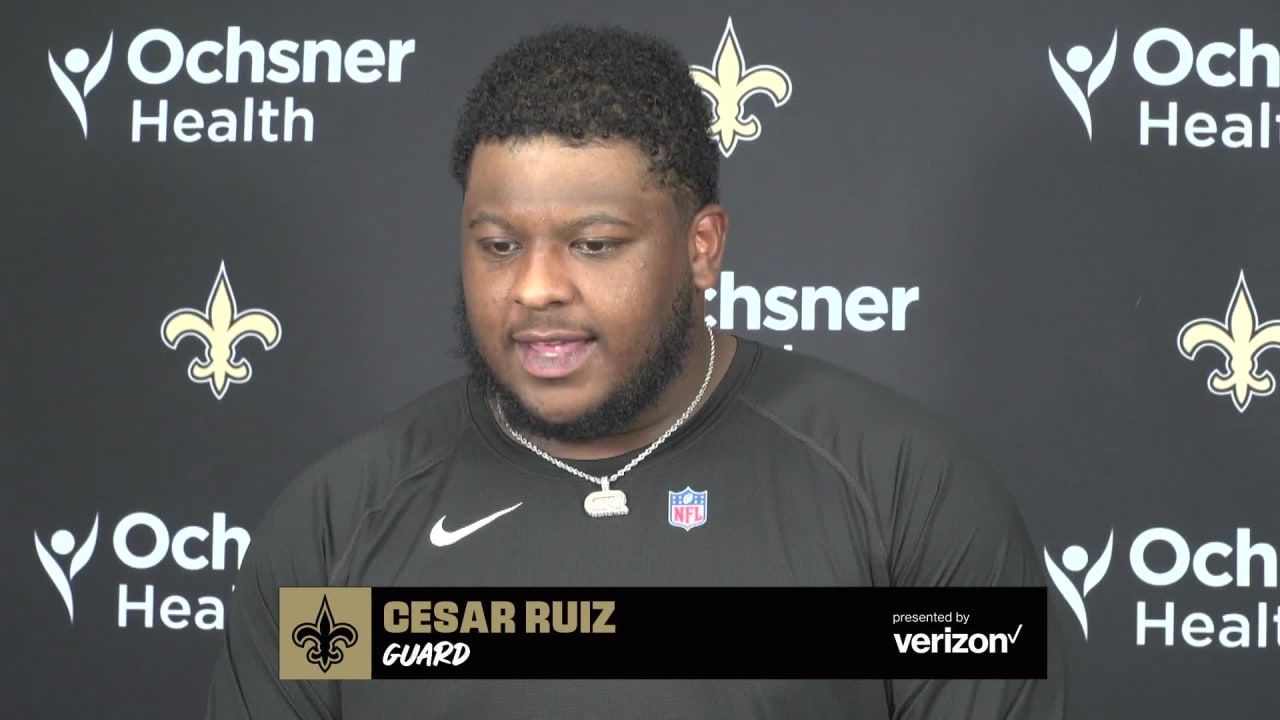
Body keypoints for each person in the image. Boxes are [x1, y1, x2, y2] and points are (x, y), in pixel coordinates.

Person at [204, 22, 1068, 720]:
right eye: (498, 246)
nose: (535, 288)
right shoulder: (337, 526)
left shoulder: (907, 495)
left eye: (594, 245)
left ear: (701, 247)